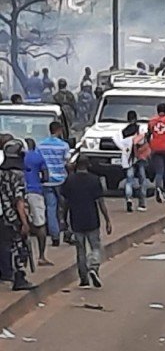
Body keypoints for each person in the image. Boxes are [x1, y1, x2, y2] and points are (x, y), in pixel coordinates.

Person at [61, 156, 111, 289]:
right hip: (92, 219)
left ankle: (84, 279)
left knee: (80, 250)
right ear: (88, 165)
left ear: (76, 165)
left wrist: (63, 219)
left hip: (76, 219)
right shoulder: (94, 180)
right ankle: (93, 267)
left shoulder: (69, 180)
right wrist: (107, 220)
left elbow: (65, 202)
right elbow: (100, 202)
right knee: (95, 247)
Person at [0, 140, 37, 290]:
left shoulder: (2, 173)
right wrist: (25, 222)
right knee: (19, 247)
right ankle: (19, 278)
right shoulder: (18, 175)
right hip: (15, 217)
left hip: (3, 215)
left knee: (6, 246)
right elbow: (19, 200)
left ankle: (8, 274)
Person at [38, 121, 70, 247]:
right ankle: (67, 231)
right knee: (65, 207)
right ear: (59, 130)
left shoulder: (41, 145)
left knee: (51, 208)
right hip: (61, 180)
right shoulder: (64, 145)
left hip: (47, 181)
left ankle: (55, 237)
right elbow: (67, 161)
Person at [23, 138, 52, 266]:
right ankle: (41, 256)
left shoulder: (18, 157)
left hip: (18, 192)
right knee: (40, 225)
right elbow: (46, 176)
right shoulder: (38, 157)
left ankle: (21, 257)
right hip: (35, 192)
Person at [113, 111, 150, 213]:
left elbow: (117, 142)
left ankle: (129, 199)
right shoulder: (140, 129)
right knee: (142, 179)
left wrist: (125, 148)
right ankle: (142, 203)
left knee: (129, 180)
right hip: (139, 157)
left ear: (127, 119)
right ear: (136, 118)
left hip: (128, 158)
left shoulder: (122, 132)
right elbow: (143, 140)